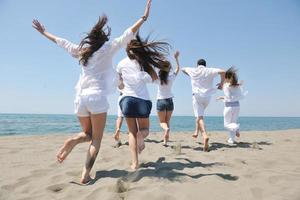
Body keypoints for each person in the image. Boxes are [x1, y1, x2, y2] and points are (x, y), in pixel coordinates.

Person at [32, 0, 152, 184]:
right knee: (96, 140)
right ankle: (85, 175)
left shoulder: (82, 51)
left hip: (80, 98)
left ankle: (72, 141)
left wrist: (43, 32)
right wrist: (143, 18)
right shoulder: (108, 49)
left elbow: (61, 42)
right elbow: (128, 34)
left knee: (87, 135)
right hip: (97, 98)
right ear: (103, 39)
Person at [117, 34, 170, 170]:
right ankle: (141, 135)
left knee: (131, 133)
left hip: (126, 100)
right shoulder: (143, 63)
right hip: (143, 101)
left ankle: (135, 163)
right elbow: (154, 79)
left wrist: (123, 85)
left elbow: (119, 85)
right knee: (144, 130)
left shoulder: (121, 64)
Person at [181, 58, 225, 151]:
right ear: (205, 65)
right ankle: (196, 131)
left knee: (200, 117)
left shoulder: (193, 70)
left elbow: (182, 69)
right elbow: (223, 71)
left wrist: (190, 75)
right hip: (208, 97)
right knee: (199, 115)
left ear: (197, 65)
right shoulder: (210, 70)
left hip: (197, 96)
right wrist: (222, 83)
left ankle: (204, 135)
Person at [155, 51, 180, 146]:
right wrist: (176, 58)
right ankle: (165, 140)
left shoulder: (158, 78)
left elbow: (152, 70)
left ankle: (166, 131)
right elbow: (178, 69)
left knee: (162, 122)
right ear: (169, 69)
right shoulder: (171, 77)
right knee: (167, 121)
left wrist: (159, 61)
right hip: (170, 101)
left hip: (161, 101)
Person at [217, 67, 247, 144]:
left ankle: (236, 128)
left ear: (228, 77)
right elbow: (233, 96)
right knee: (233, 122)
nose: (224, 78)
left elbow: (228, 97)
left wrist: (221, 97)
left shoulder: (226, 86)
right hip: (237, 106)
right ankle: (231, 139)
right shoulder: (236, 85)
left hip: (229, 107)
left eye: (225, 77)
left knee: (226, 125)